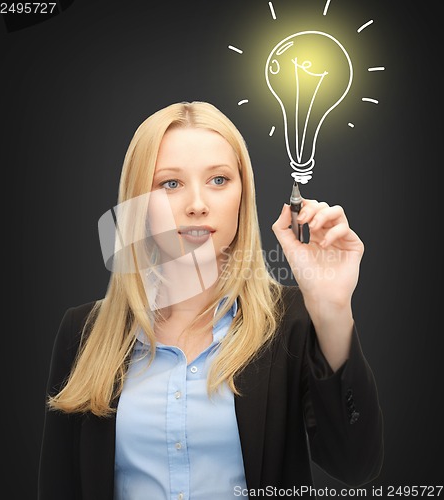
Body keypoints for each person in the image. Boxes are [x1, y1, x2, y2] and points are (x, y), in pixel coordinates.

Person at [38, 101, 383, 500]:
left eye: (219, 180)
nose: (197, 203)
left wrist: (331, 309)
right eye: (170, 184)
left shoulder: (291, 322)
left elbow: (357, 466)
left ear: (242, 195)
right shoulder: (81, 332)